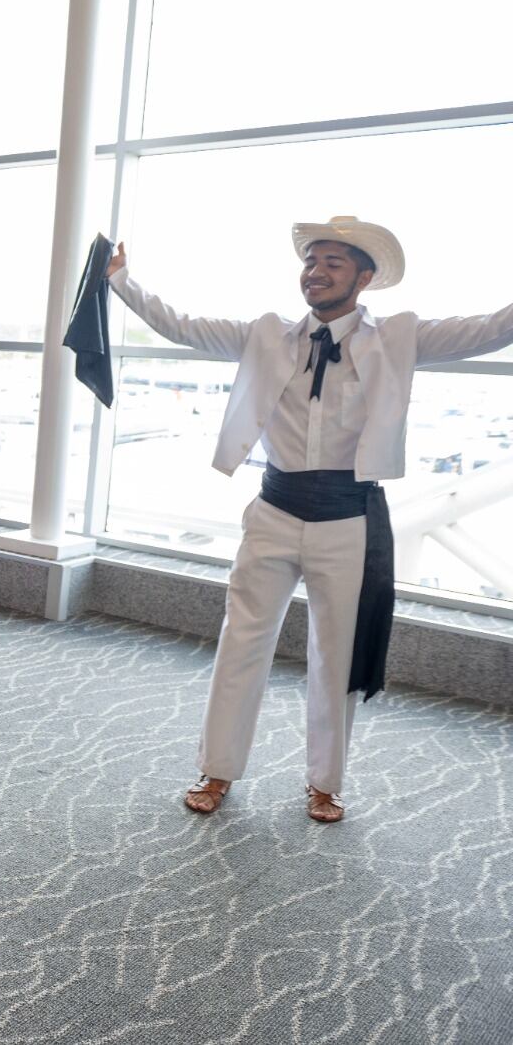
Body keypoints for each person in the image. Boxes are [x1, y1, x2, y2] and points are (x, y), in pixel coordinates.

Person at [107, 218, 513, 822]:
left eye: (332, 264)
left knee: (336, 655)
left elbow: (487, 330)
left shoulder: (398, 336)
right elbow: (183, 326)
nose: (315, 273)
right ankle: (217, 768)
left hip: (347, 519)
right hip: (273, 511)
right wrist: (122, 281)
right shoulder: (267, 335)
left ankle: (325, 782)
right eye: (310, 262)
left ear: (364, 278)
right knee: (241, 642)